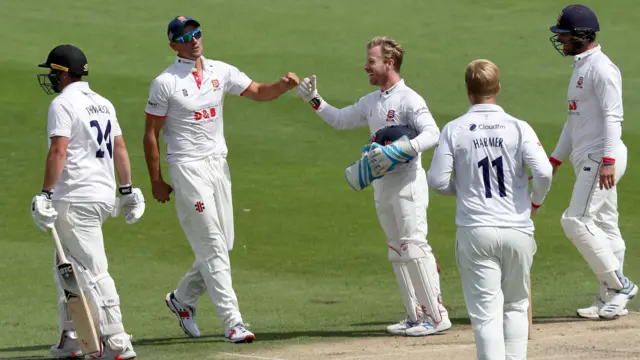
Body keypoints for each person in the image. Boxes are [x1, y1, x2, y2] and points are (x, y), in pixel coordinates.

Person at [143, 16, 299, 343]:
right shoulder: (165, 82)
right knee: (213, 245)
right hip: (187, 168)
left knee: (223, 244)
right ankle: (233, 323)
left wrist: (281, 87)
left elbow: (256, 91)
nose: (194, 40)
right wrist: (156, 180)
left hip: (218, 166)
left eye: (197, 34)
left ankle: (182, 299)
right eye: (186, 37)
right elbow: (151, 134)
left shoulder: (220, 71)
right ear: (174, 45)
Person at [296, 36, 451, 336]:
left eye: (371, 61)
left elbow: (433, 133)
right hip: (382, 183)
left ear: (388, 63)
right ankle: (414, 315)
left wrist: (400, 150)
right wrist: (314, 100)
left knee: (414, 246)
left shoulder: (409, 99)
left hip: (408, 182)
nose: (365, 66)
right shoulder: (372, 101)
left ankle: (437, 315)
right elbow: (341, 120)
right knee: (396, 249)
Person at [427, 59, 552, 360]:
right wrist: (534, 200)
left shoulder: (455, 129)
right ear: (498, 88)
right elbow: (544, 173)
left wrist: (464, 189)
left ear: (468, 90)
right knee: (516, 306)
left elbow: (437, 181)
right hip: (517, 228)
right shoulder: (518, 127)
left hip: (476, 231)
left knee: (485, 315)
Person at [32, 44, 145, 359]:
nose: (51, 79)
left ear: (63, 74)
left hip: (74, 197)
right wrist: (127, 190)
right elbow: (119, 147)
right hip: (101, 196)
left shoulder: (62, 103)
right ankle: (73, 336)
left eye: (53, 72)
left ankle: (117, 340)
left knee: (92, 270)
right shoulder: (103, 103)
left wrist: (45, 194)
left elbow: (59, 150)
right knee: (65, 269)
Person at [548, 4, 637, 319]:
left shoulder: (602, 68)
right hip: (592, 156)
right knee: (605, 225)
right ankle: (608, 300)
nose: (561, 41)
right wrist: (555, 159)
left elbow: (614, 116)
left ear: (582, 36)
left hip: (602, 156)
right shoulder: (581, 68)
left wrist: (609, 160)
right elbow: (573, 121)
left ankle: (619, 286)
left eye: (565, 36)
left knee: (575, 220)